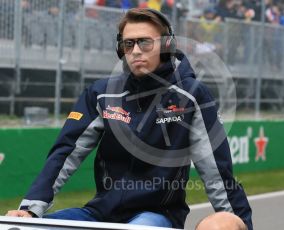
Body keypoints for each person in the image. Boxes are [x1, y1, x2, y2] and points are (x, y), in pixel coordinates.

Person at [6, 8, 252, 230]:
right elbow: (65, 153)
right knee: (23, 229)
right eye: (128, 44)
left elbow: (216, 172)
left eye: (145, 42)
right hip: (100, 213)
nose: (135, 51)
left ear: (166, 45)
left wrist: (237, 222)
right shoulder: (101, 93)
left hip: (158, 215)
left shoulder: (192, 95)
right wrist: (30, 209)